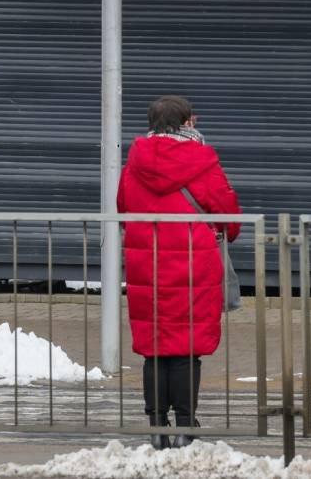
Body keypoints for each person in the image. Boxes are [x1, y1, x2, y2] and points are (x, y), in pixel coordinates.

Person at [116, 95, 241, 450]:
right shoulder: (203, 161)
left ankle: (157, 427)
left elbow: (122, 205)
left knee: (155, 348)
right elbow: (227, 214)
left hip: (147, 266)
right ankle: (186, 426)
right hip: (193, 265)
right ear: (188, 123)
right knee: (187, 349)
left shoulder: (134, 163)